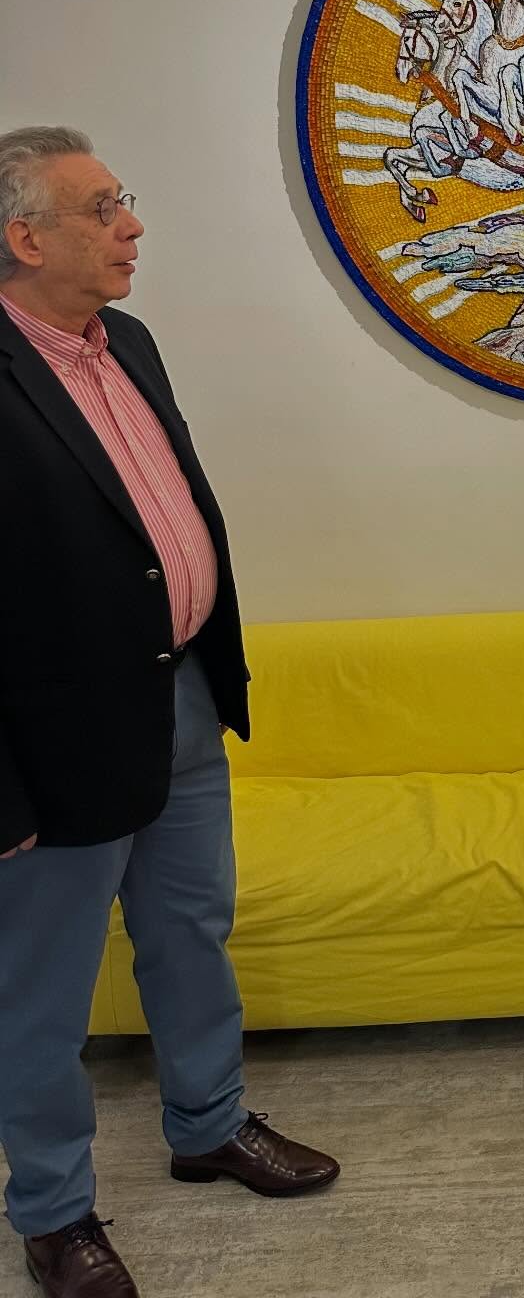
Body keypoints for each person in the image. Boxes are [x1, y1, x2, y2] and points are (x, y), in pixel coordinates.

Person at [0, 126, 339, 1298]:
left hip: (182, 695)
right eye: (104, 209)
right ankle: (54, 1214)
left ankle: (208, 1124)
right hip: (54, 750)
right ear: (24, 236)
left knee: (192, 931)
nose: (132, 226)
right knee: (39, 996)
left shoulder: (127, 342)